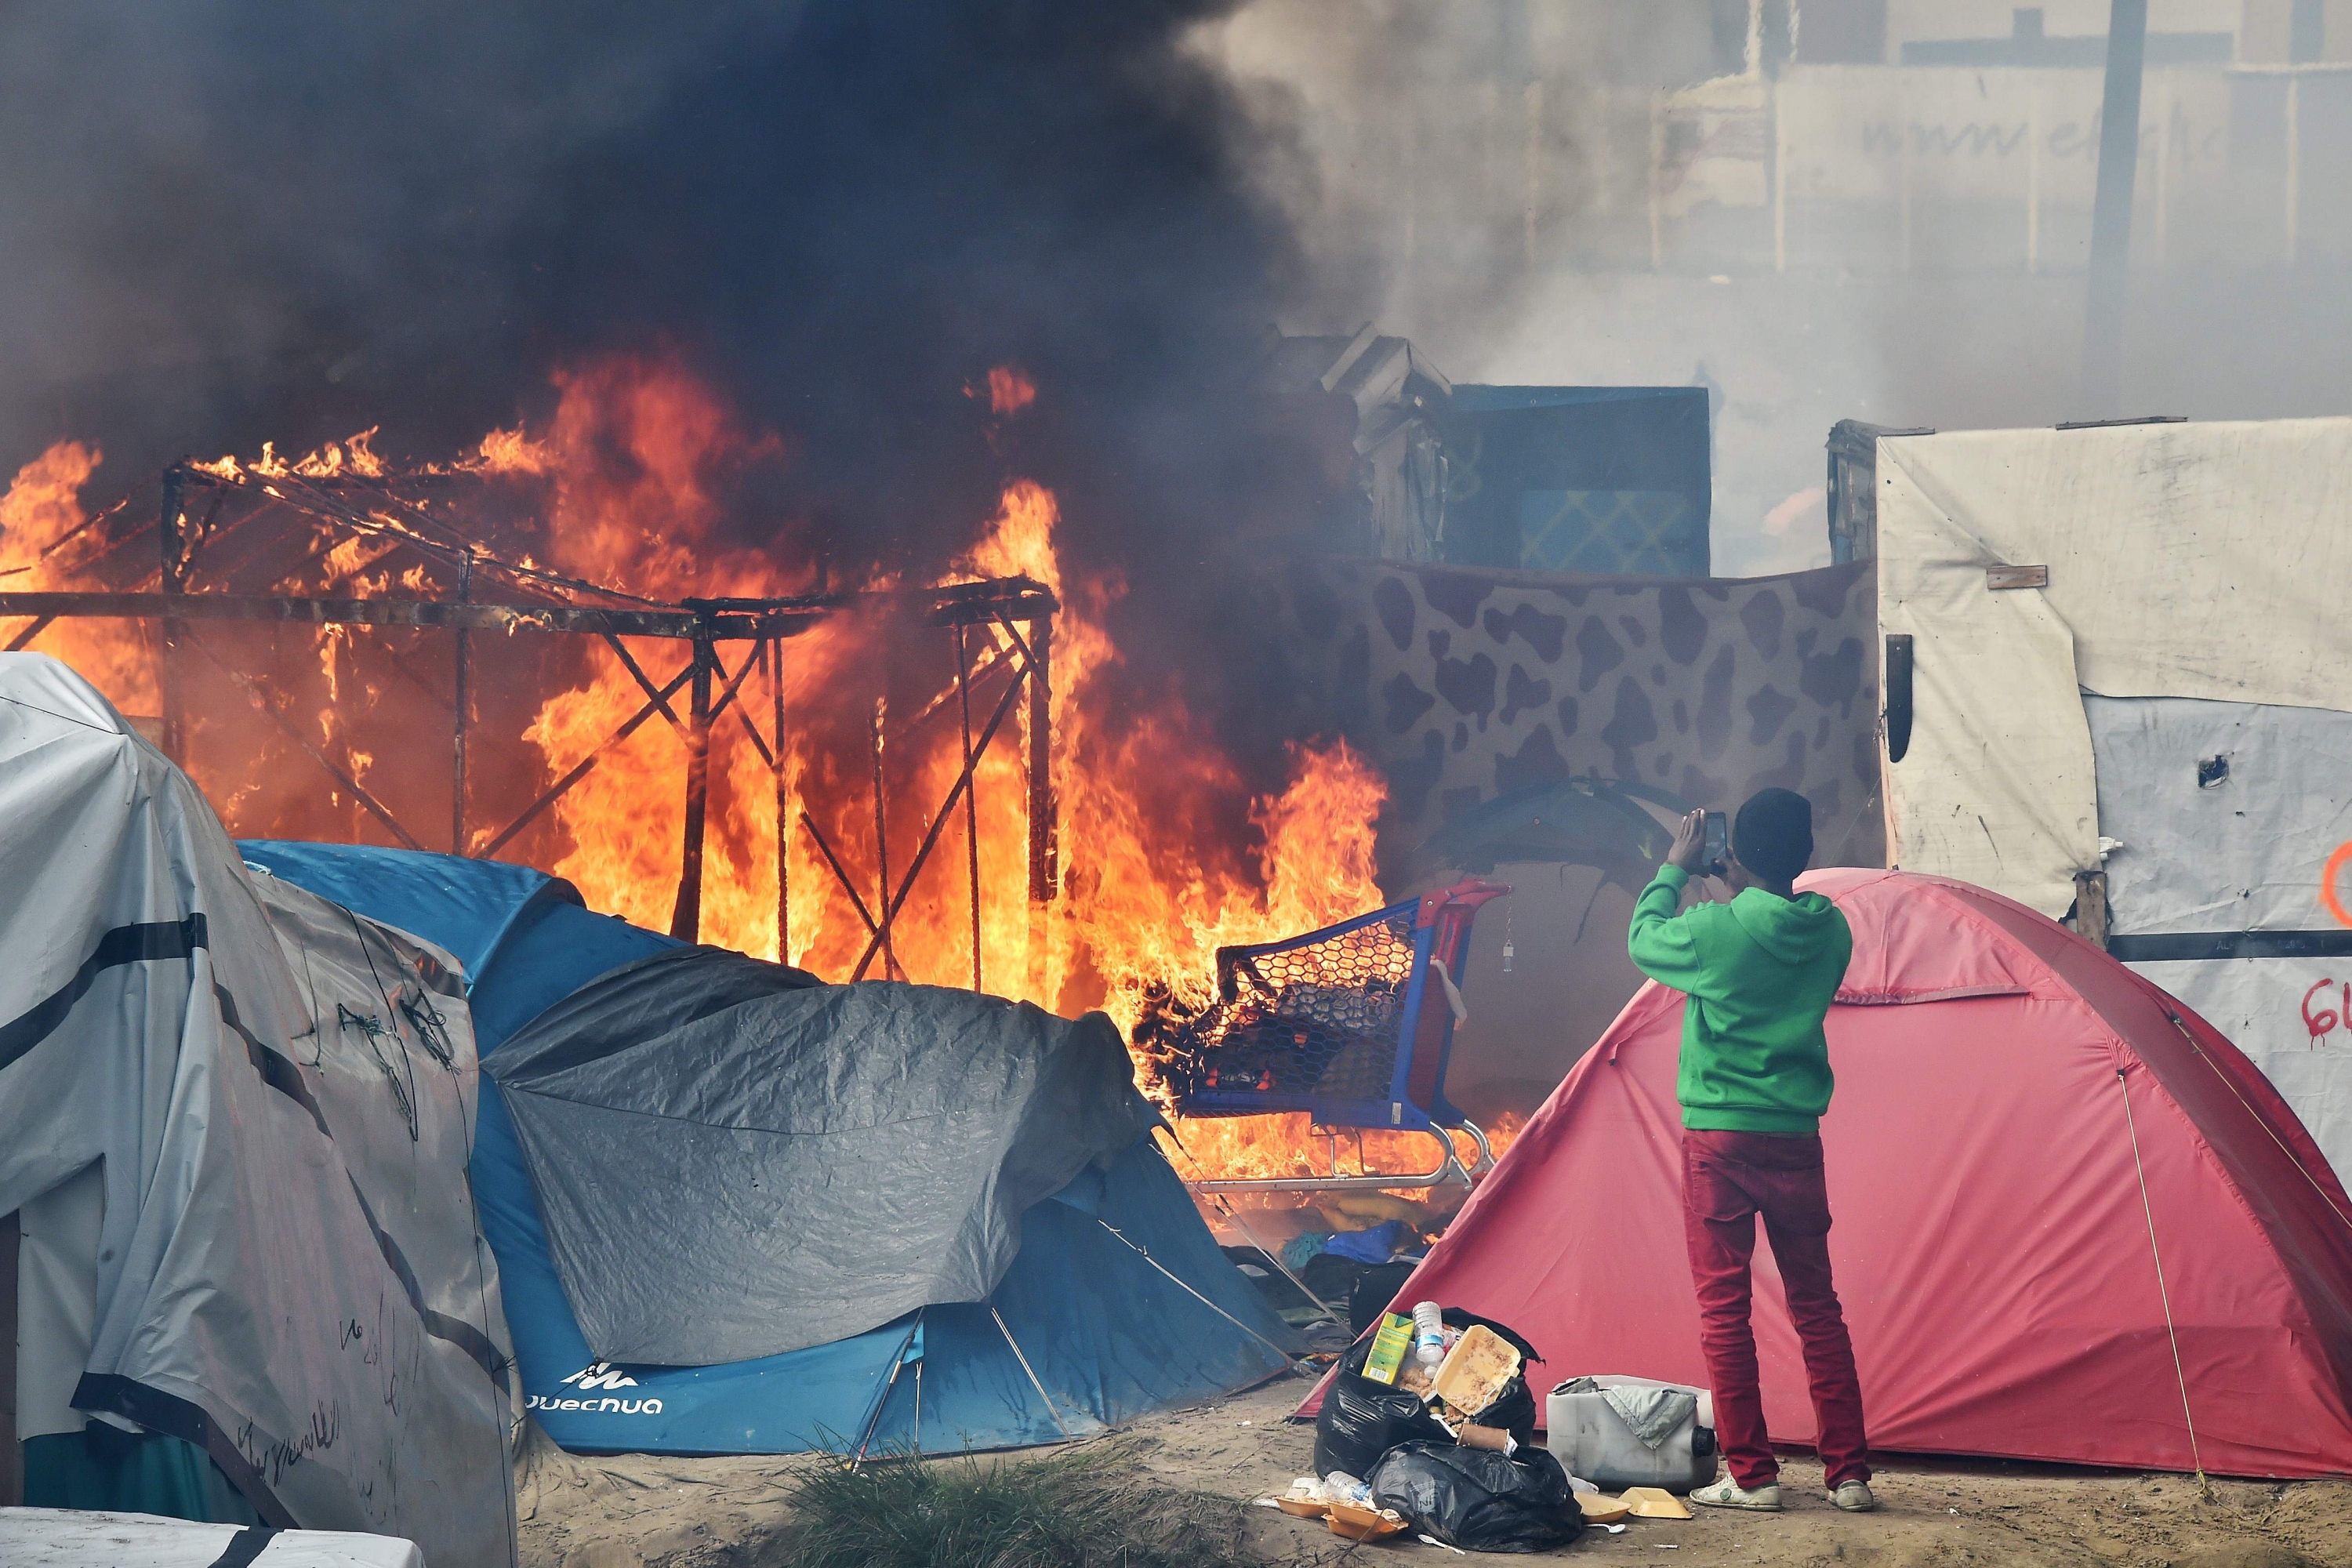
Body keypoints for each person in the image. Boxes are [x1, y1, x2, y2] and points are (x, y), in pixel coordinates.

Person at [1626, 786, 1874, 1514]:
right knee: (1817, 1308)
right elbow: (1777, 924)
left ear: (1732, 854)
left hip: (1719, 1142)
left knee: (1725, 1312)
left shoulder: (1711, 930)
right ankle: (1849, 1475)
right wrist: (1747, 886)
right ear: (1807, 854)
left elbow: (1643, 938)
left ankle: (1754, 1477)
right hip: (1796, 1140)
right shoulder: (1831, 931)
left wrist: (1675, 869)